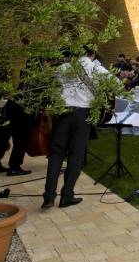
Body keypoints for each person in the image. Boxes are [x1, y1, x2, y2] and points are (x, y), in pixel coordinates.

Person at [42, 48, 111, 209]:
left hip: (63, 113)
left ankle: (48, 197)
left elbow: (54, 87)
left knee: (56, 155)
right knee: (76, 155)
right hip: (82, 115)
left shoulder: (62, 68)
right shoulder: (95, 68)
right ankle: (67, 195)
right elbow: (114, 84)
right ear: (92, 54)